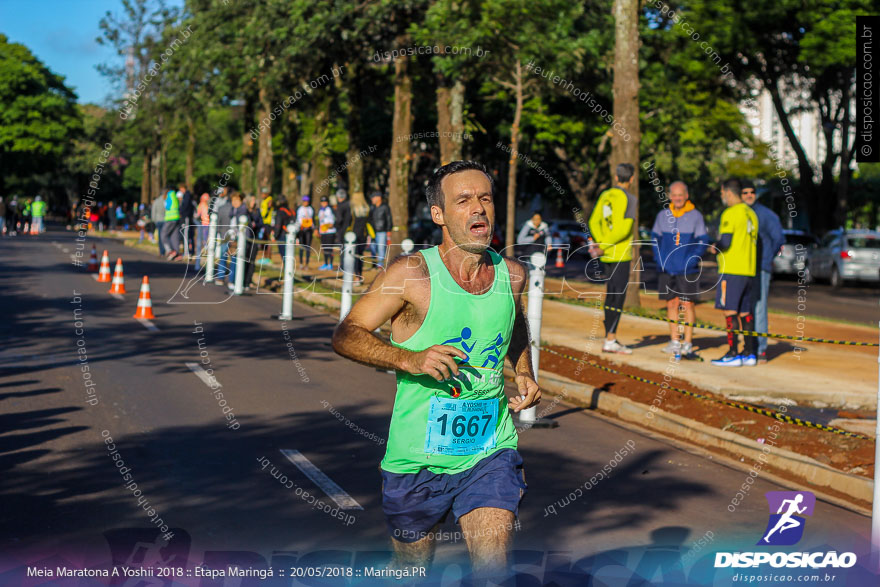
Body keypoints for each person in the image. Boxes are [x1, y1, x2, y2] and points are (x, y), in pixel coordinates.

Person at [332, 160, 541, 581]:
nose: (478, 208)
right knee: (413, 571)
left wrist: (524, 371)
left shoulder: (512, 275)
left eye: (485, 198)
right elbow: (346, 333)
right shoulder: (411, 276)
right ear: (439, 214)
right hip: (416, 459)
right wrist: (409, 359)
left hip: (489, 449)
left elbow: (513, 323)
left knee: (494, 570)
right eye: (463, 200)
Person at [650, 181, 709, 359]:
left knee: (687, 304)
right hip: (667, 269)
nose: (677, 198)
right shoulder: (662, 215)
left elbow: (703, 241)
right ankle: (675, 341)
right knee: (671, 303)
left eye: (680, 194)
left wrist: (690, 261)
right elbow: (655, 239)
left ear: (686, 195)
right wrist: (660, 260)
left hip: (687, 270)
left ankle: (688, 344)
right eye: (674, 195)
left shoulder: (696, 215)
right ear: (669, 196)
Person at [588, 163, 638, 355]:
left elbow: (593, 221)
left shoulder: (605, 195)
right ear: (631, 179)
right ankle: (610, 339)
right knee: (617, 297)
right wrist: (605, 245)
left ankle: (609, 337)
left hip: (606, 254)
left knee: (610, 295)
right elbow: (625, 229)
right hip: (620, 254)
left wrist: (600, 243)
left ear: (617, 177)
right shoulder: (630, 198)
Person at [711, 179, 759, 367]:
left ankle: (733, 353)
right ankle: (749, 353)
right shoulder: (751, 213)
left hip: (731, 269)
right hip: (748, 269)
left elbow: (726, 242)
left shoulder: (731, 213)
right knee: (745, 312)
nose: (723, 197)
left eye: (723, 194)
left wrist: (713, 248)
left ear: (728, 192)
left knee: (729, 311)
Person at [741, 180, 784, 364]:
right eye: (745, 192)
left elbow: (778, 239)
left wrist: (766, 259)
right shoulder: (739, 214)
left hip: (760, 269)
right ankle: (747, 347)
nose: (749, 195)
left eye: (752, 191)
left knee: (759, 307)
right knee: (743, 308)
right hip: (741, 269)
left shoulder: (766, 215)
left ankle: (761, 349)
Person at [349, 191, 371, 280]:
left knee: (355, 256)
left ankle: (357, 277)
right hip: (363, 234)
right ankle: (359, 275)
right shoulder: (367, 209)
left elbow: (349, 223)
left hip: (354, 235)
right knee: (360, 255)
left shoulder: (353, 210)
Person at [369, 191, 393, 268]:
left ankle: (380, 265)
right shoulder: (372, 208)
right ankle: (373, 263)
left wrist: (389, 230)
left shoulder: (385, 207)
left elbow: (389, 219)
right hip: (372, 232)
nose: (372, 199)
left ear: (379, 198)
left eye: (373, 197)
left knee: (381, 249)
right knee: (372, 248)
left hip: (382, 231)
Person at [272, 197, 295, 266]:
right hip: (291, 236)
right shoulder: (291, 211)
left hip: (282, 236)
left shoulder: (280, 212)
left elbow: (278, 225)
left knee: (285, 256)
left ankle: (288, 274)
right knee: (290, 256)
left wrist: (275, 235)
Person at [317, 195, 337, 270]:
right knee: (325, 248)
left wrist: (330, 225)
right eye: (322, 201)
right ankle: (325, 263)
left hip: (330, 232)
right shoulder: (321, 210)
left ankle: (330, 264)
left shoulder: (330, 209)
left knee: (329, 248)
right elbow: (320, 221)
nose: (324, 203)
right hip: (323, 232)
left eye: (325, 201)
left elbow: (333, 220)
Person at [295, 196, 315, 267]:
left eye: (307, 201)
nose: (305, 202)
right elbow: (298, 219)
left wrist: (313, 228)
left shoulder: (311, 209)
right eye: (304, 201)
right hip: (302, 230)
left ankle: (307, 263)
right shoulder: (299, 209)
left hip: (308, 230)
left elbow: (312, 219)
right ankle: (301, 263)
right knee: (301, 247)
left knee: (308, 247)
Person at [162, 188, 182, 260]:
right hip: (176, 218)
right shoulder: (175, 196)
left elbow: (167, 206)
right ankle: (177, 252)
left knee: (163, 234)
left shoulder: (169, 196)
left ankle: (170, 250)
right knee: (174, 236)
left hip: (170, 218)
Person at [334, 189, 352, 266]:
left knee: (342, 248)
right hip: (349, 229)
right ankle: (347, 265)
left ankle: (342, 265)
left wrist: (335, 225)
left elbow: (339, 219)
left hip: (342, 230)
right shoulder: (349, 205)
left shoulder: (341, 206)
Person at [177, 182, 195, 257]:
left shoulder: (187, 195)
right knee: (186, 233)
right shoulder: (186, 195)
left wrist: (180, 211)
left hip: (186, 216)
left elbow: (186, 206)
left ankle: (187, 252)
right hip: (186, 216)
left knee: (186, 234)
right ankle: (187, 251)